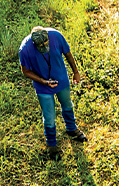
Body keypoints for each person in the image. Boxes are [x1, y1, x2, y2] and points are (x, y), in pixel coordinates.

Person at [19, 24, 87, 159]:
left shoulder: (56, 35)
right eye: (40, 46)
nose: (44, 47)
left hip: (61, 79)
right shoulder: (24, 49)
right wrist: (43, 82)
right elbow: (25, 71)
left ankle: (71, 129)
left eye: (46, 43)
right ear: (33, 42)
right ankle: (52, 145)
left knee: (67, 105)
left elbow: (68, 54)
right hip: (42, 85)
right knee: (49, 116)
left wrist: (76, 72)